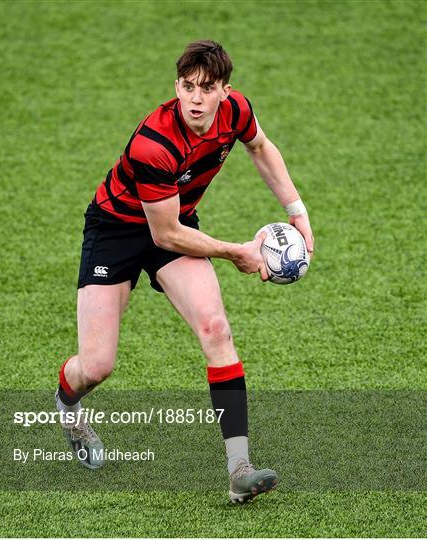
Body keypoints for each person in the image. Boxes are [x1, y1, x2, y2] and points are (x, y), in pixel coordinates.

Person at [55, 40, 314, 504]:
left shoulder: (235, 111)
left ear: (224, 91)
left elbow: (260, 147)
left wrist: (297, 210)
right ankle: (67, 406)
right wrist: (236, 251)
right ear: (176, 86)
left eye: (207, 88)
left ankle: (240, 469)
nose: (196, 98)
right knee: (96, 366)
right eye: (187, 87)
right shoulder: (153, 144)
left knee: (216, 329)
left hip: (175, 222)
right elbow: (165, 235)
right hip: (117, 232)